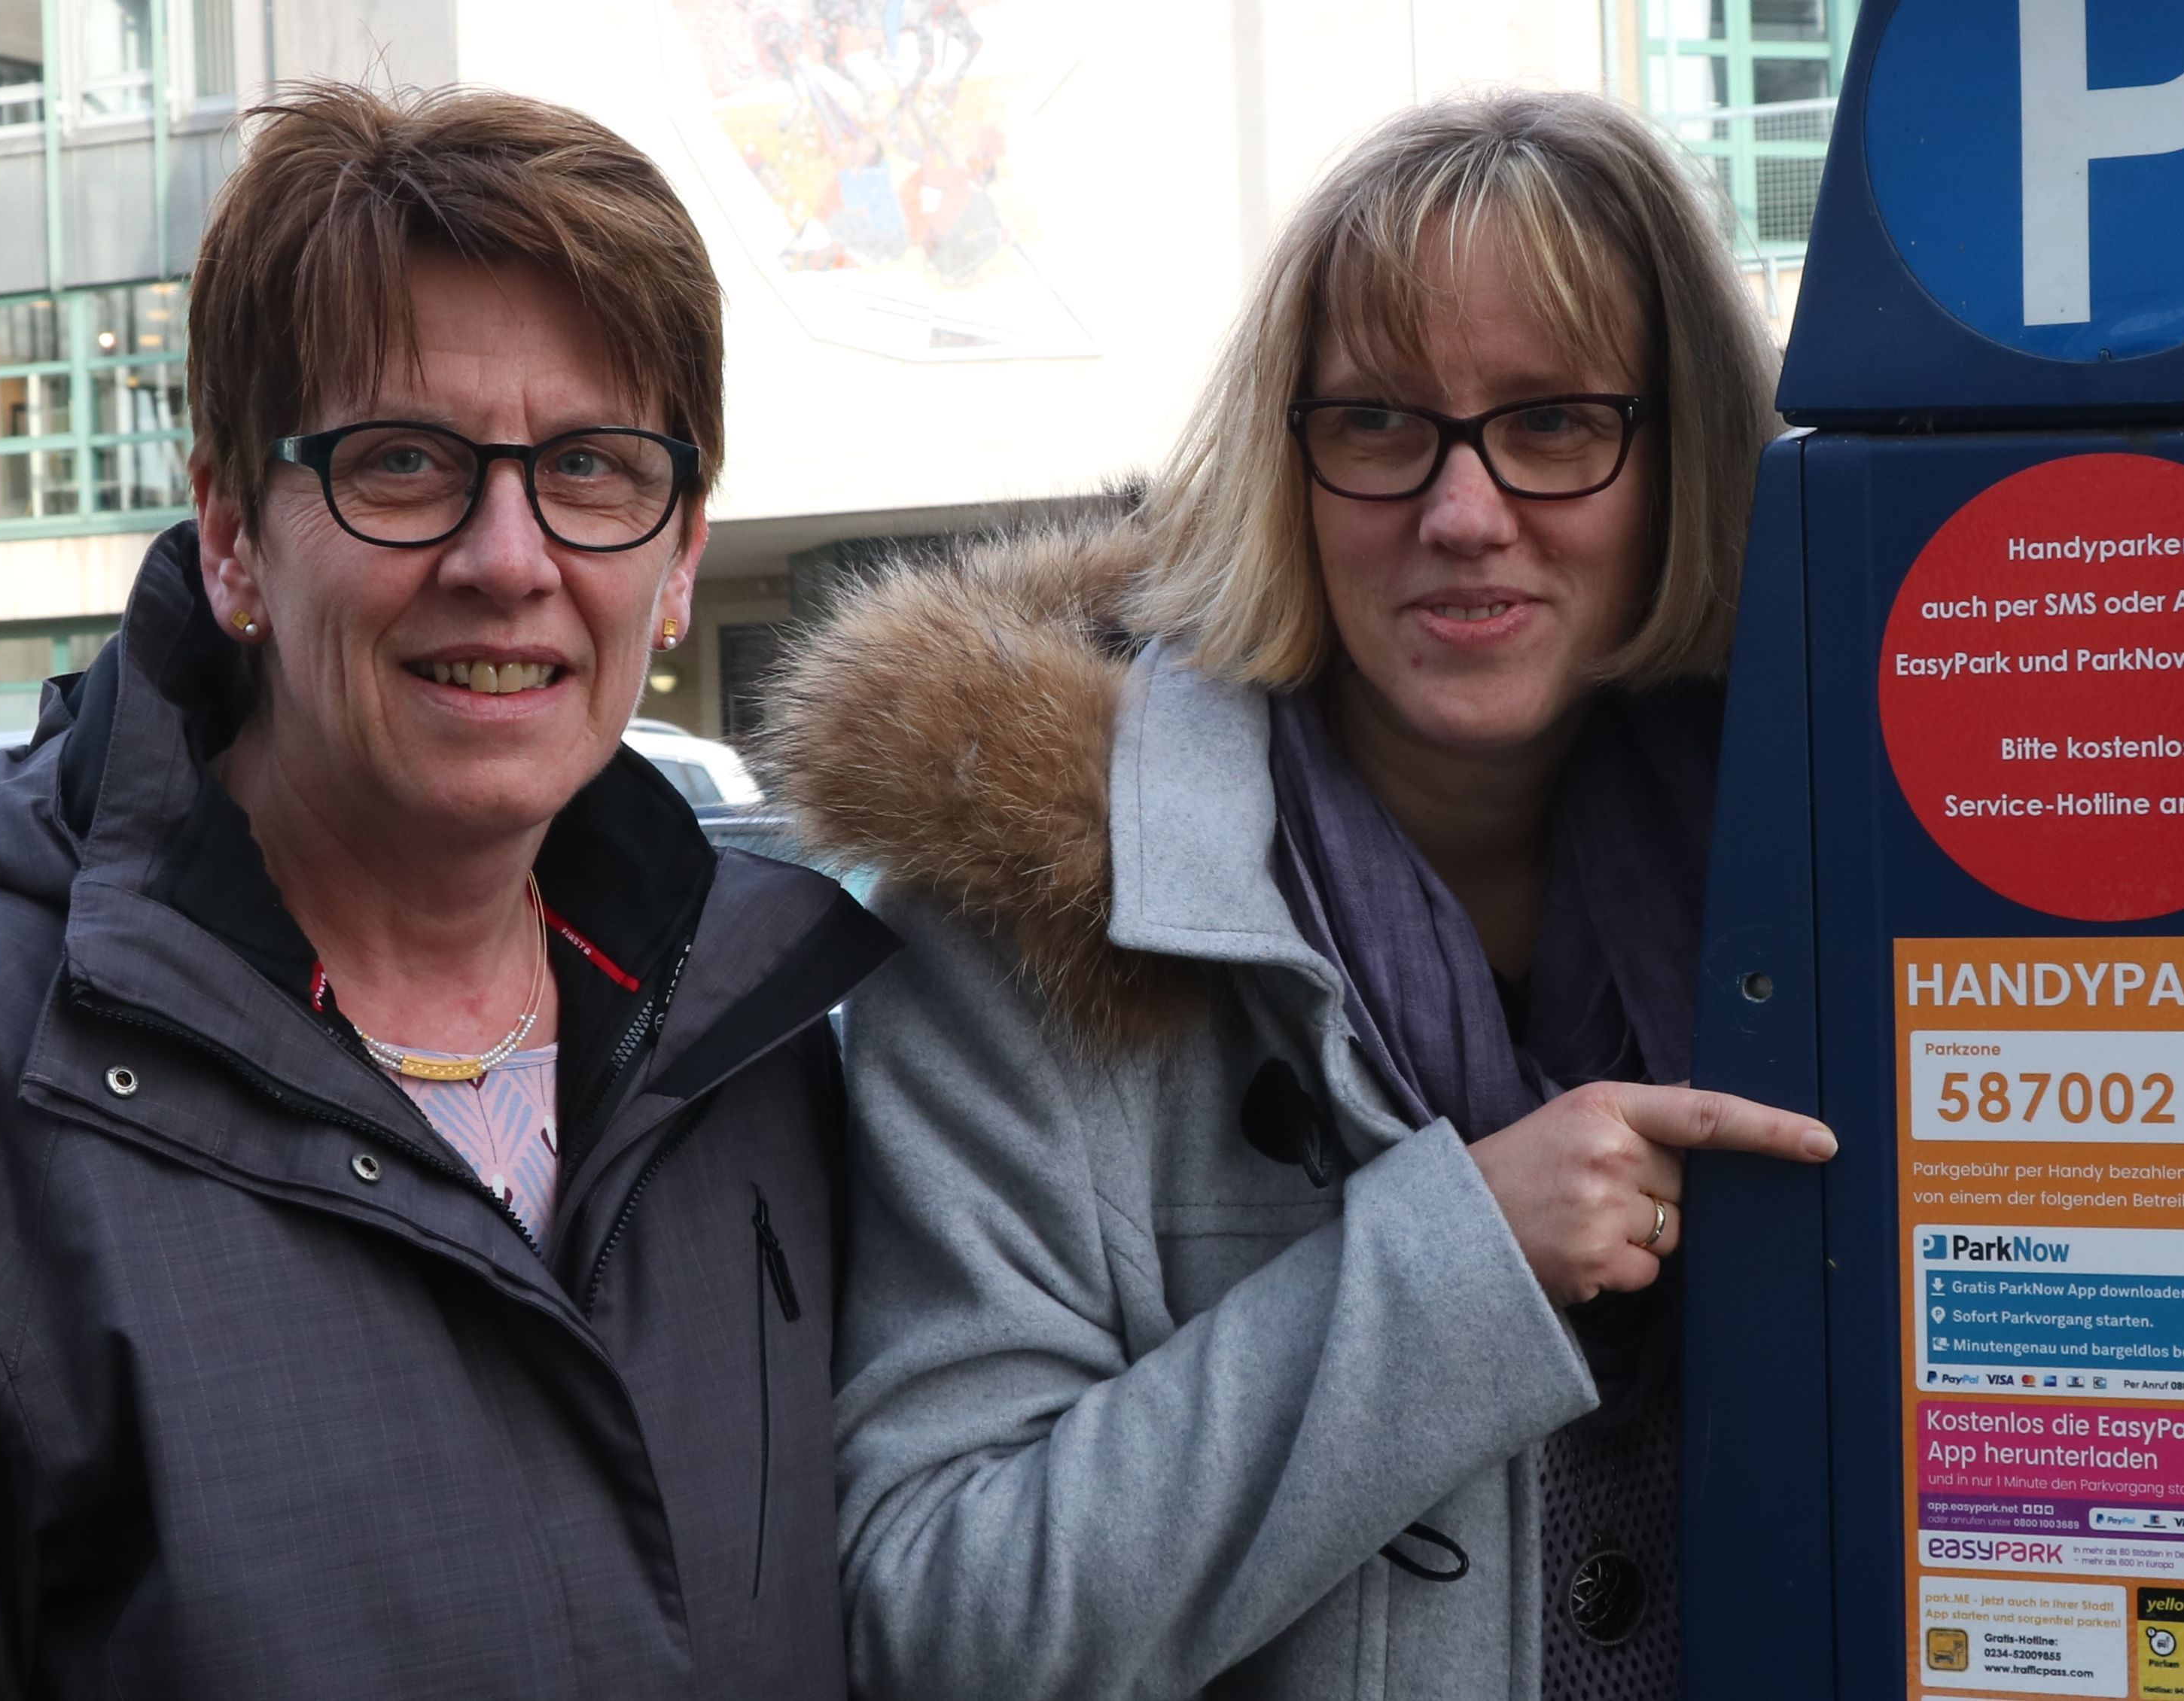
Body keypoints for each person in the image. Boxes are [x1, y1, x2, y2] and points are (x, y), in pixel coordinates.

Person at [0, 84, 892, 1697]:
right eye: (404, 463)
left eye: (595, 468)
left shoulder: (761, 1060)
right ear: (236, 535)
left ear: (677, 560)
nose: (509, 555)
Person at [761, 90, 1832, 1701]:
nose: (1462, 513)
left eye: (1553, 422)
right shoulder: (1036, 922)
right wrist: (1458, 1267)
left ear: (1681, 454)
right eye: (1381, 426)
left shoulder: (1846, 871)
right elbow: (938, 1615)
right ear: (1292, 466)